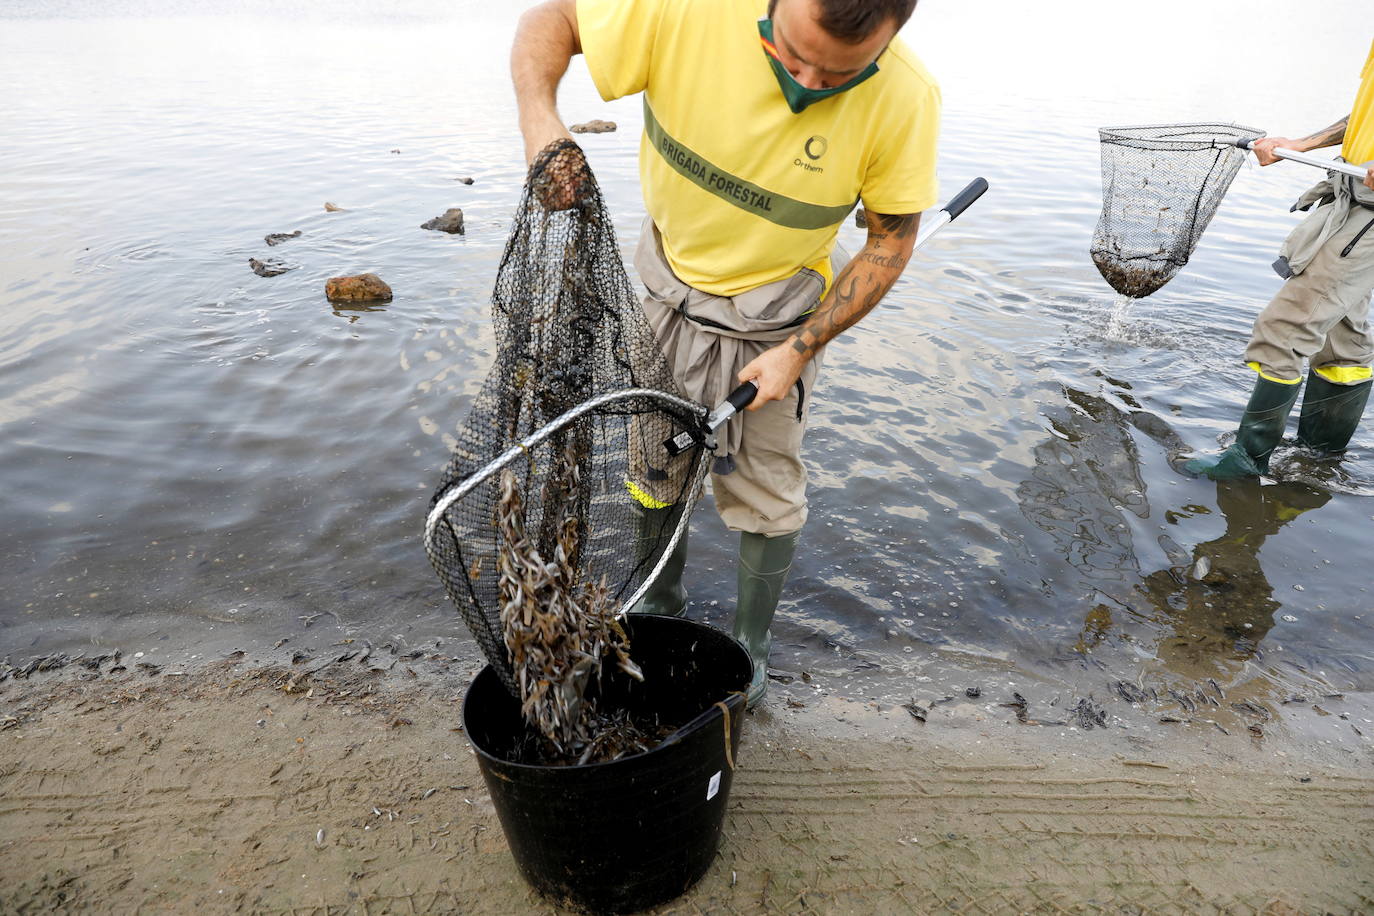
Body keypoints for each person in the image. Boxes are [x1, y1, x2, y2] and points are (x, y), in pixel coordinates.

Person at [511, 0, 940, 705]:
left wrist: (799, 351)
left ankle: (752, 642)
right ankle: (660, 602)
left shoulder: (906, 96)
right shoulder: (683, 9)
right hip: (669, 293)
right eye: (792, 54)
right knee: (654, 464)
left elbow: (889, 243)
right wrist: (541, 117)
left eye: (840, 74)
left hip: (780, 320)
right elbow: (551, 18)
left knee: (768, 491)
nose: (808, 83)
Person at [1187, 38, 1374, 479]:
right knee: (1342, 339)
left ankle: (1247, 461)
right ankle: (1319, 458)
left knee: (1285, 328)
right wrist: (1304, 144)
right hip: (1351, 196)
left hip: (1366, 218)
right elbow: (1362, 119)